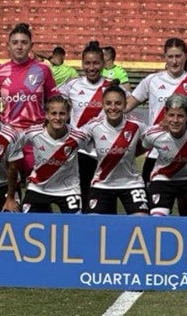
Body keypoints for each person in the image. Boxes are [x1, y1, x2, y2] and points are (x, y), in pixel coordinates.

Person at [125, 37, 187, 184]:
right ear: (164, 57)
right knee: (152, 203)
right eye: (170, 56)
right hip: (157, 152)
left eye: (178, 56)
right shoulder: (151, 81)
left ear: (186, 56)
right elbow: (126, 107)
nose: (174, 61)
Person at [0, 23, 60, 176]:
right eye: (15, 43)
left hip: (36, 134)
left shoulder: (43, 69)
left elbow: (54, 102)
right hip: (9, 134)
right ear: (8, 46)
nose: (19, 47)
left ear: (31, 46)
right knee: (10, 183)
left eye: (24, 42)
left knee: (36, 181)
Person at [59, 41, 114, 209]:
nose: (92, 67)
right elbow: (54, 103)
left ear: (103, 63)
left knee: (106, 200)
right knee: (82, 198)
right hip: (80, 152)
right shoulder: (72, 85)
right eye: (87, 63)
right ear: (82, 64)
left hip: (105, 152)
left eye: (96, 63)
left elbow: (126, 107)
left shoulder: (111, 87)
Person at [12, 95, 88, 213]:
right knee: (27, 223)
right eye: (53, 113)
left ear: (68, 115)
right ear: (46, 115)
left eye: (62, 113)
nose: (57, 117)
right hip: (38, 188)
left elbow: (94, 151)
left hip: (68, 190)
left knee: (75, 226)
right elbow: (13, 147)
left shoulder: (78, 136)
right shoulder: (33, 133)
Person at [80, 84, 148, 215]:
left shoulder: (137, 125)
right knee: (93, 223)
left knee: (142, 220)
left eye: (118, 103)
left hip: (131, 184)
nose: (113, 108)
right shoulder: (93, 125)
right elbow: (73, 139)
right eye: (108, 103)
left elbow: (151, 140)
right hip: (102, 184)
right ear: (103, 105)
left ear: (124, 105)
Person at [141, 94, 187, 217]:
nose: (175, 120)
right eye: (171, 115)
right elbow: (144, 146)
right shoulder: (153, 134)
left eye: (180, 116)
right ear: (165, 114)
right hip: (163, 178)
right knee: (157, 217)